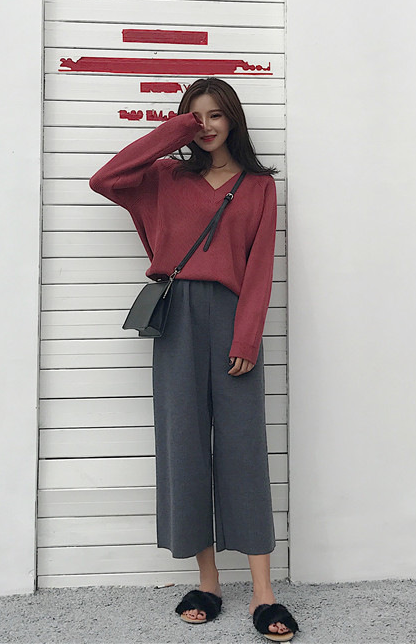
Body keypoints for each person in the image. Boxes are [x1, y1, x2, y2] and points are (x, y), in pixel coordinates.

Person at [89, 77, 299, 642]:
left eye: (215, 115)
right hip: (176, 318)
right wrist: (176, 132)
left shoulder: (258, 186)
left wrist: (247, 338)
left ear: (234, 120)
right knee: (183, 444)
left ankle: (263, 592)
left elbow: (260, 266)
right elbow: (105, 179)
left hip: (232, 316)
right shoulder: (164, 178)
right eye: (195, 117)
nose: (205, 126)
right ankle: (208, 583)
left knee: (242, 450)